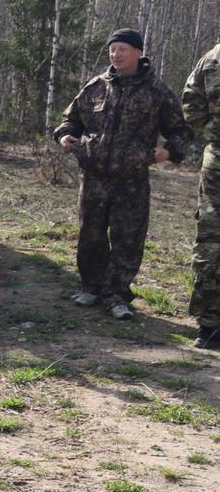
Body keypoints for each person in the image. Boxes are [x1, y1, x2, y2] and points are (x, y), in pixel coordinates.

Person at [54, 28, 191, 321]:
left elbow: (181, 131)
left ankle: (116, 295)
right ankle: (90, 287)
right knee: (90, 237)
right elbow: (70, 120)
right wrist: (65, 136)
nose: (115, 55)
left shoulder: (157, 91)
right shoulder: (94, 87)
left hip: (132, 181)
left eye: (122, 50)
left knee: (127, 241)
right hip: (93, 178)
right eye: (112, 50)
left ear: (138, 53)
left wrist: (169, 151)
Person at [182, 41, 220, 348]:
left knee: (212, 239)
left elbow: (192, 110)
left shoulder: (212, 56)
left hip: (218, 158)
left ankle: (209, 327)